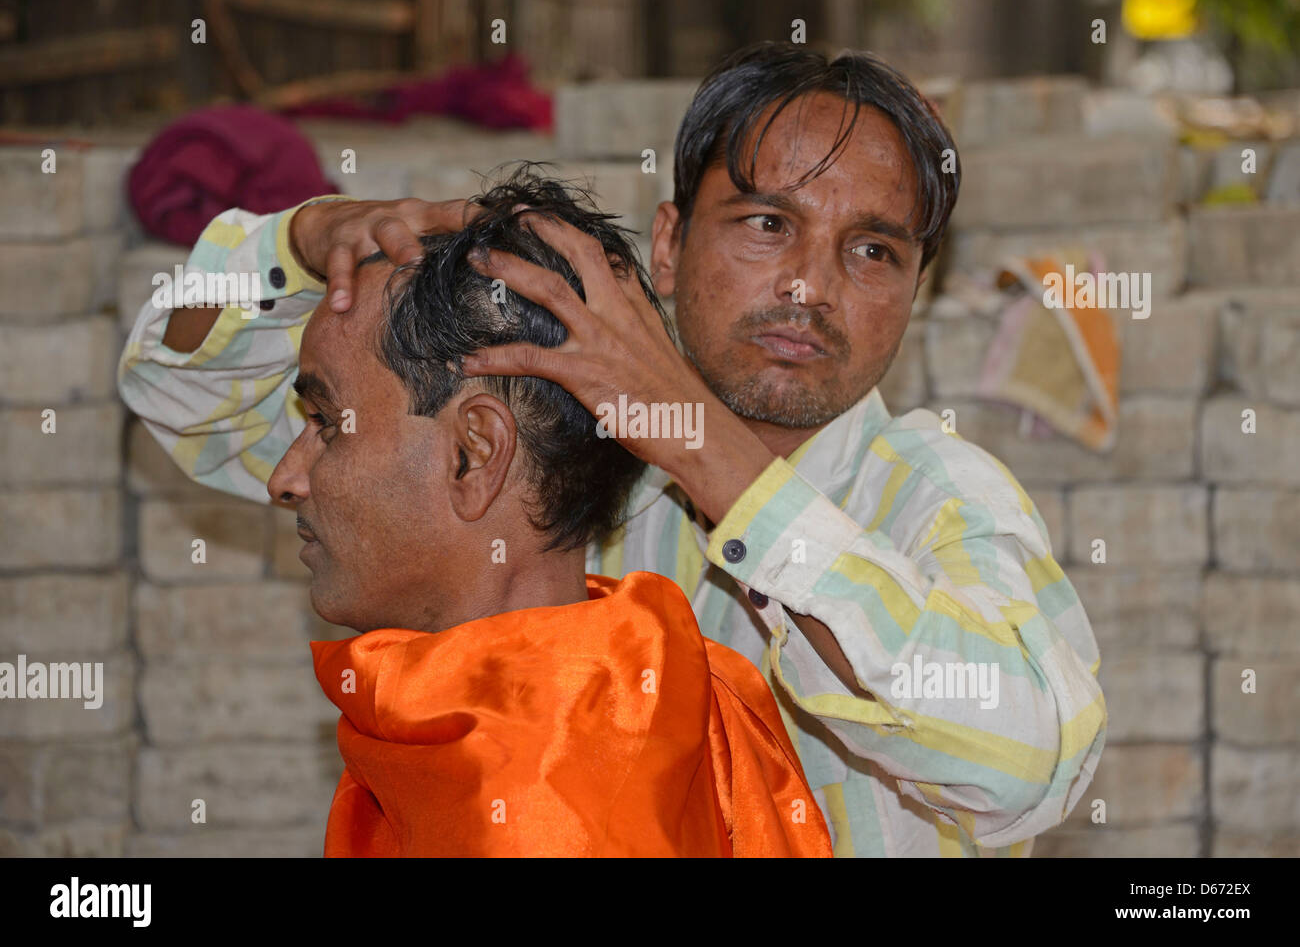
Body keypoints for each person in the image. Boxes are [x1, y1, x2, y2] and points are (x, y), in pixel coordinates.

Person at [118, 42, 1106, 857]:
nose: (809, 285)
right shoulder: (560, 439)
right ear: (669, 244)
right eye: (768, 223)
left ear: (916, 292)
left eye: (873, 250)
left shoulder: (941, 497)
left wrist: (701, 444)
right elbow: (184, 396)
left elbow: (1029, 771)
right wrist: (302, 243)